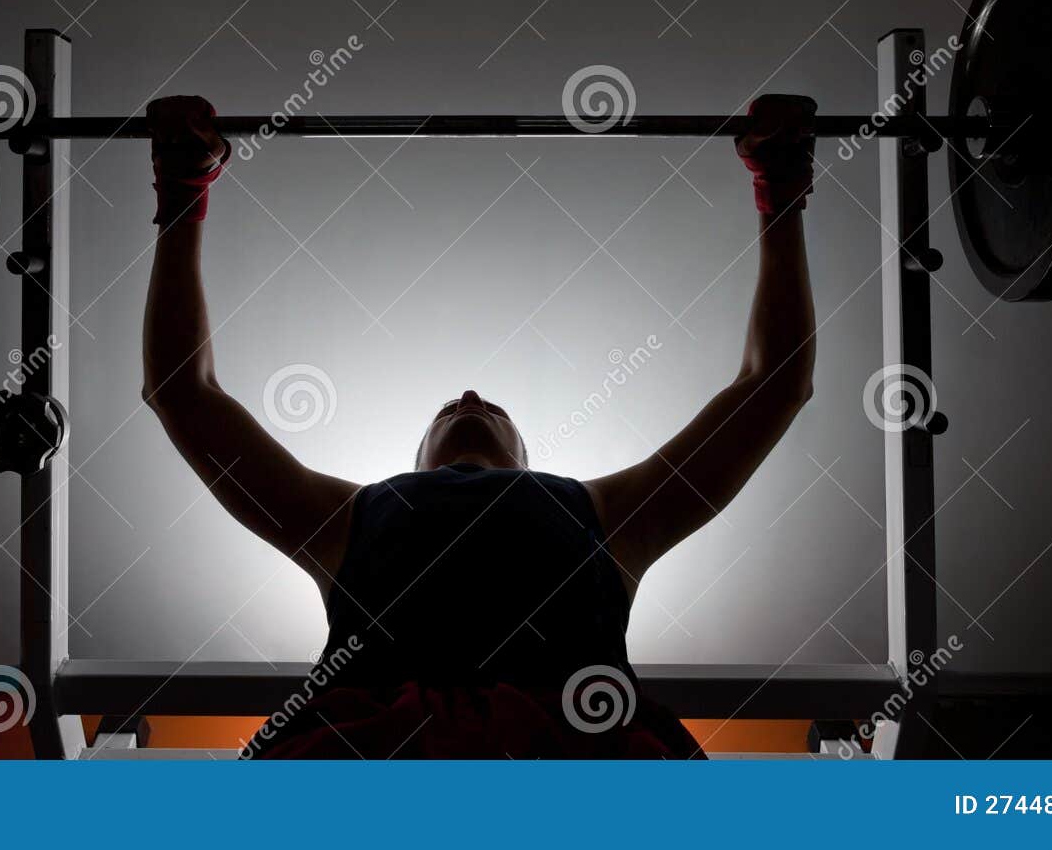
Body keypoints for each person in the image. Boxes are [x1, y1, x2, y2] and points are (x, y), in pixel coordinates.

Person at [141, 93, 817, 758]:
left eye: (490, 406)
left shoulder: (598, 512)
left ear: (527, 461)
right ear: (413, 458)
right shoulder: (354, 515)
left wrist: (782, 189)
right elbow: (180, 392)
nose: (468, 392)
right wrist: (182, 185)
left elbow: (775, 384)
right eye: (450, 407)